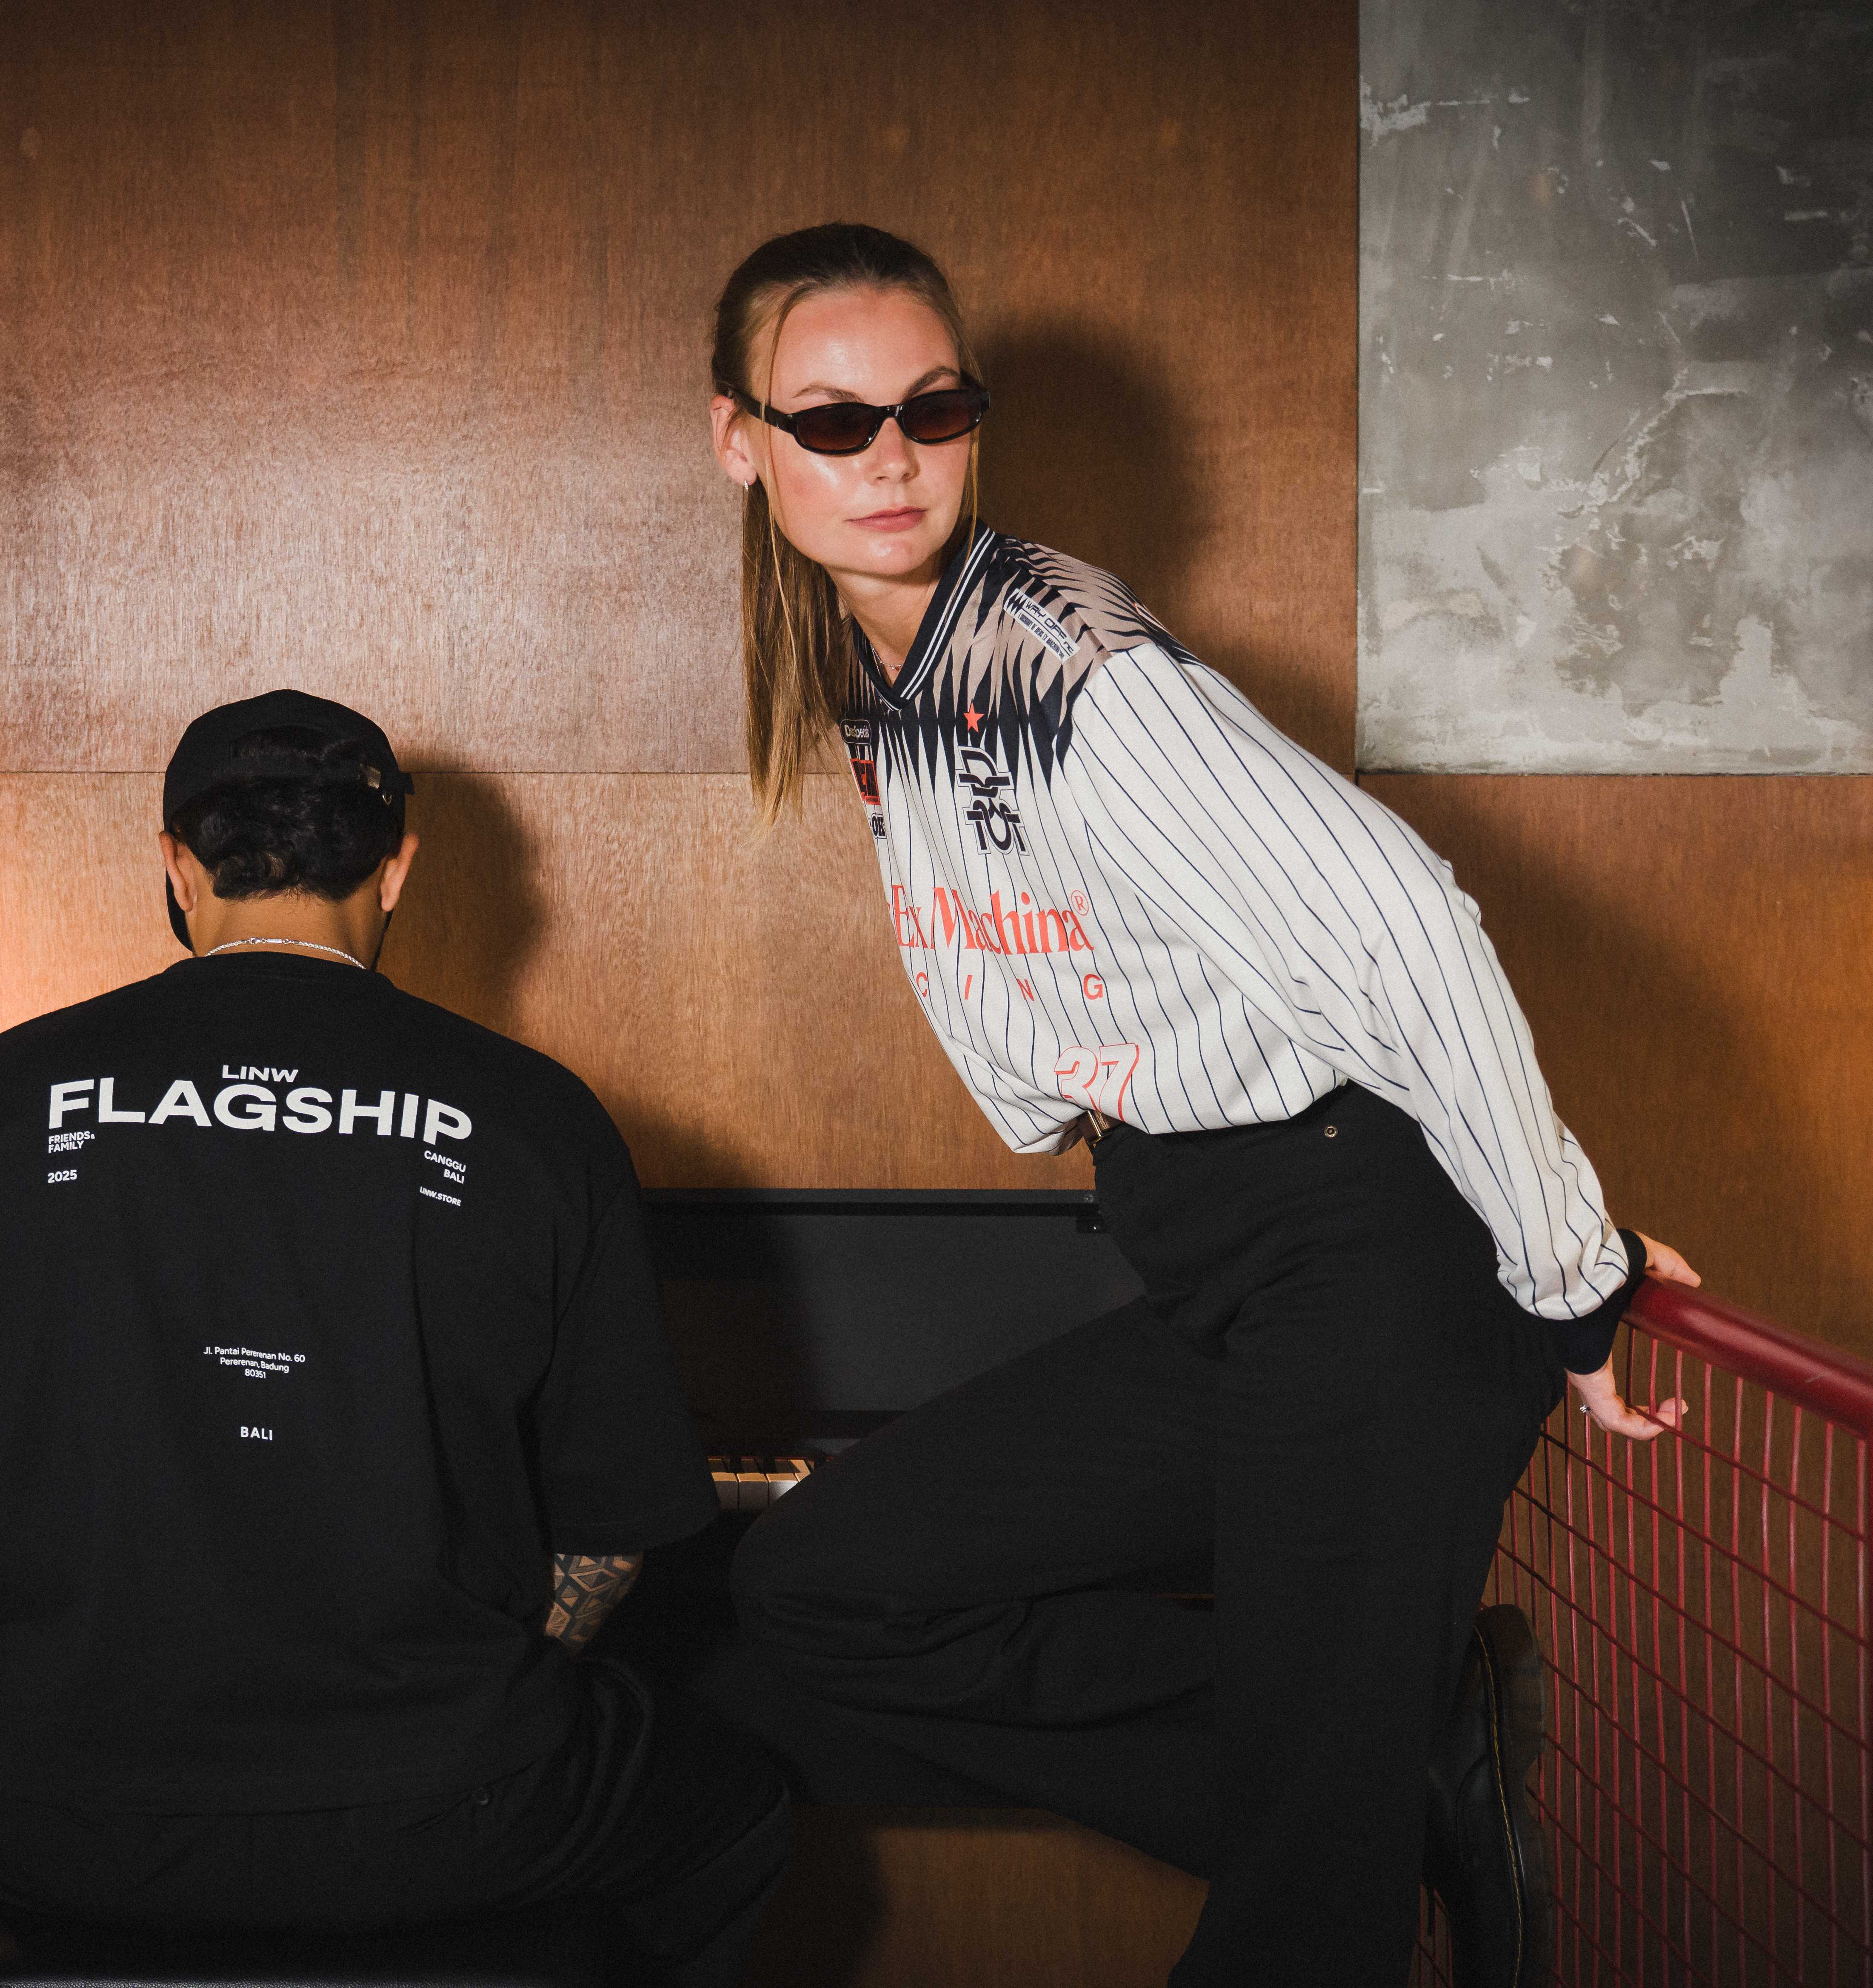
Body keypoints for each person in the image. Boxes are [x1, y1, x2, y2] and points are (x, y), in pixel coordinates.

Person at [702, 223, 1699, 1988]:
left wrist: (1568, 1269)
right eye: (836, 421)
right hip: (1225, 1266)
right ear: (743, 441)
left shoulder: (1074, 668)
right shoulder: (897, 678)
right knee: (824, 1586)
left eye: (935, 410)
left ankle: (1352, 1786)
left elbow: (1406, 924)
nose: (893, 458)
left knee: (1291, 1933)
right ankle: (1391, 1768)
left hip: (1372, 1251)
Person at [0, 690, 790, 1988]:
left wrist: (92, 1663)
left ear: (176, 867)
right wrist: (454, 1700)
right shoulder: (539, 1118)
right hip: (445, 1812)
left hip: (68, 1807)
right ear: (397, 869)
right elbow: (615, 1533)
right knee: (739, 1805)